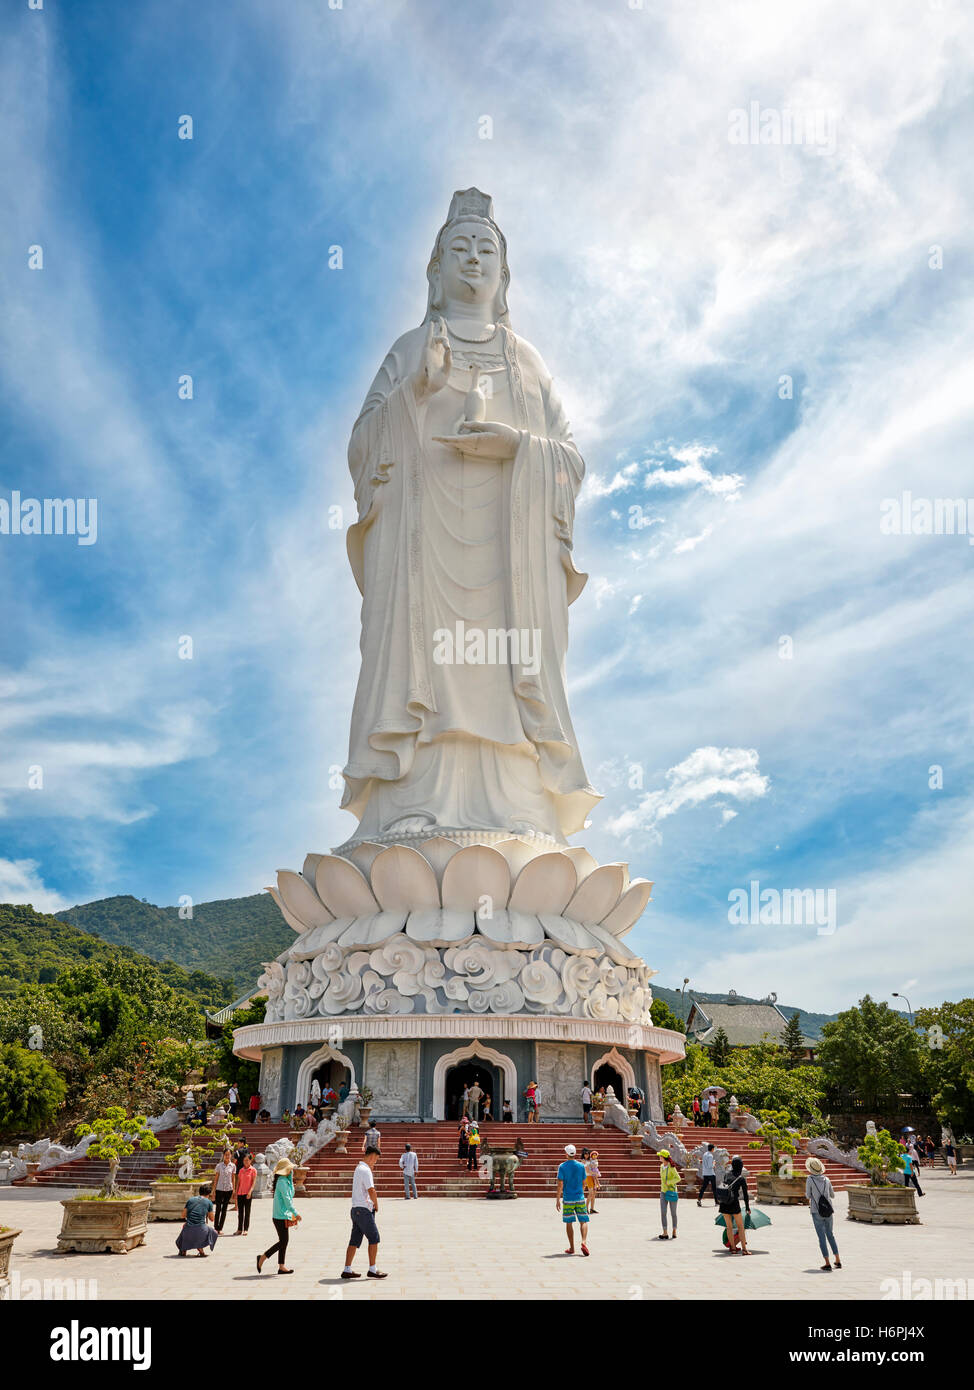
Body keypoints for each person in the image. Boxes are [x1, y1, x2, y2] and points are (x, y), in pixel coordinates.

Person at [342, 1145, 387, 1279]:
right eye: (376, 1159)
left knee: (354, 1240)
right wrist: (376, 1204)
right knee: (374, 1238)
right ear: (372, 1156)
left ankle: (347, 1269)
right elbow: (371, 1190)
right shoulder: (365, 1170)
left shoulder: (358, 1168)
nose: (375, 1162)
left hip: (355, 1209)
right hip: (364, 1210)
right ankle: (372, 1269)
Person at [257, 1158, 301, 1275]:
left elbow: (291, 1194)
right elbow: (287, 1200)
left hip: (283, 1215)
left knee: (284, 1241)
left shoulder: (285, 1180)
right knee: (283, 1241)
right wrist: (296, 1214)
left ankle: (281, 1266)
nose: (292, 1170)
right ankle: (263, 1257)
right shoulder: (282, 1182)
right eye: (290, 1169)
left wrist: (290, 1179)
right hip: (279, 1216)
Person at [804, 1156, 840, 1271]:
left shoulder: (810, 1179)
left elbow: (808, 1195)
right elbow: (833, 1195)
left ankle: (827, 1263)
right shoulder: (827, 1179)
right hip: (828, 1210)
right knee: (830, 1235)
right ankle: (838, 1260)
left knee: (821, 1237)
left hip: (816, 1210)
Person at [556, 1143, 590, 1256]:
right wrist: (581, 1190)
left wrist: (557, 1199)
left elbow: (560, 1184)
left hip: (568, 1198)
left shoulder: (562, 1166)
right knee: (583, 1220)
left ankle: (572, 1247)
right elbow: (584, 1183)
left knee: (569, 1222)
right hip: (579, 1197)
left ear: (566, 1154)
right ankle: (584, 1241)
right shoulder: (581, 1166)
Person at [717, 1155, 751, 1254]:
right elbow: (745, 1195)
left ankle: (732, 1248)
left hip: (724, 1203)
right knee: (741, 1227)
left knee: (729, 1227)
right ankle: (744, 1249)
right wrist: (747, 1207)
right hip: (734, 1203)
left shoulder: (727, 1174)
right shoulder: (741, 1178)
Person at [175, 1183, 219, 1256]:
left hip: (188, 1229)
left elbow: (183, 1215)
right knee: (213, 1232)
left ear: (199, 1191)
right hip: (201, 1230)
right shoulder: (209, 1202)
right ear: (209, 1193)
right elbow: (212, 1219)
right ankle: (200, 1247)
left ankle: (183, 1249)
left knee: (185, 1226)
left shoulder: (190, 1200)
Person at [210, 1149, 236, 1233]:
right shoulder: (219, 1166)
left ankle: (220, 1228)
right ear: (223, 1155)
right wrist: (213, 1191)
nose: (227, 1156)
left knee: (224, 1209)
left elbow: (233, 1178)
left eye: (229, 1154)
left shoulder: (233, 1166)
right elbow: (216, 1179)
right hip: (219, 1189)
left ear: (231, 1155)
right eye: (226, 1154)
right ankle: (216, 1227)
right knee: (218, 1208)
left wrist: (234, 1190)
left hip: (228, 1189)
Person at [658, 1149, 681, 1239]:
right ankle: (665, 1232)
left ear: (664, 1157)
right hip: (663, 1192)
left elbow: (678, 1178)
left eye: (660, 1156)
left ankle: (674, 1230)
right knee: (663, 1212)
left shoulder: (671, 1167)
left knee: (673, 1213)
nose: (659, 1157)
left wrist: (670, 1182)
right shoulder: (661, 1166)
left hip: (671, 1192)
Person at [234, 1151, 257, 1235]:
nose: (246, 1162)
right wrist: (236, 1192)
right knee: (240, 1212)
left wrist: (250, 1192)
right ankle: (239, 1229)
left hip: (248, 1194)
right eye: (244, 1160)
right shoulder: (241, 1170)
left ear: (250, 1161)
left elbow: (253, 1182)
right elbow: (238, 1182)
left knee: (247, 1212)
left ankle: (246, 1229)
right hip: (240, 1193)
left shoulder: (253, 1170)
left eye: (247, 1160)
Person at [585, 1149, 601, 1214]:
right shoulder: (586, 1162)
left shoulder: (593, 1161)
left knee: (594, 1194)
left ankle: (592, 1208)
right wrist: (594, 1173)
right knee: (591, 1193)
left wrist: (597, 1182)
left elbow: (595, 1170)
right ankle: (585, 1208)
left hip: (593, 1177)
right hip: (589, 1177)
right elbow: (588, 1171)